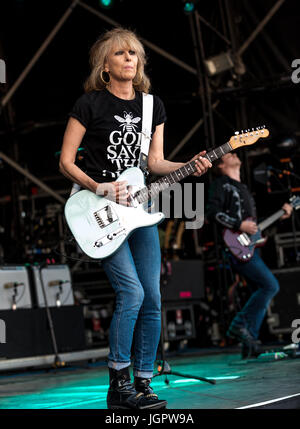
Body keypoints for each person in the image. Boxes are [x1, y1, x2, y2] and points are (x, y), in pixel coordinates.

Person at [59, 27, 212, 409]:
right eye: (121, 53)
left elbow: (155, 163)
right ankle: (118, 382)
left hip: (138, 213)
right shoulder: (89, 104)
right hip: (98, 211)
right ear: (105, 64)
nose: (130, 58)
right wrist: (100, 187)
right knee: (132, 292)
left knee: (153, 296)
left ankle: (143, 383)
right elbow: (64, 161)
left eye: (134, 53)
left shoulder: (151, 106)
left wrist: (191, 164)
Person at [206, 152, 292, 359]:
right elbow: (212, 212)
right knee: (270, 285)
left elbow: (253, 225)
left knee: (259, 292)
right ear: (221, 164)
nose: (234, 153)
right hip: (235, 247)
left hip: (250, 246)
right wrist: (239, 225)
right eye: (229, 153)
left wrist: (281, 214)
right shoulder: (221, 184)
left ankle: (250, 342)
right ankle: (239, 325)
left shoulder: (243, 187)